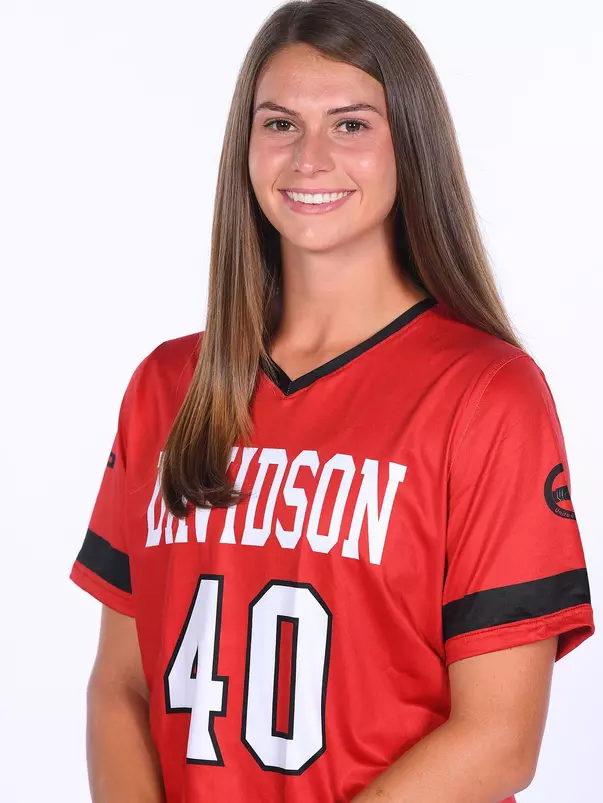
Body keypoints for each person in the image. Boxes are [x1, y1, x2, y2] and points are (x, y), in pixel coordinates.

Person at [69, 1, 595, 801]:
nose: (309, 157)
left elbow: (498, 738)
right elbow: (121, 685)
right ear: (245, 145)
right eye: (279, 123)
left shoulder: (486, 394)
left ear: (407, 147)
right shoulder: (168, 386)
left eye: (350, 125)